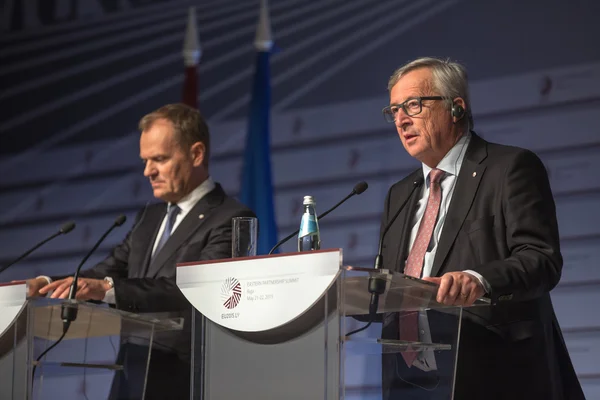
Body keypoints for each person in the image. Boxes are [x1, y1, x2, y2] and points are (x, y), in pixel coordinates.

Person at [378, 57, 585, 399]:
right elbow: (391, 283)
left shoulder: (509, 168)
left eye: (413, 105)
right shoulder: (399, 195)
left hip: (493, 373)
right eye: (394, 110)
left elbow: (541, 259)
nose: (401, 119)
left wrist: (478, 279)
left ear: (456, 108)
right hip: (410, 381)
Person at [28, 103, 256, 399]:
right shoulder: (149, 218)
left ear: (196, 154)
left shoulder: (230, 217)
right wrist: (45, 285)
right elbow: (104, 273)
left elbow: (198, 290)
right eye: (145, 160)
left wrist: (107, 288)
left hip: (187, 381)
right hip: (131, 376)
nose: (148, 171)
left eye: (159, 159)